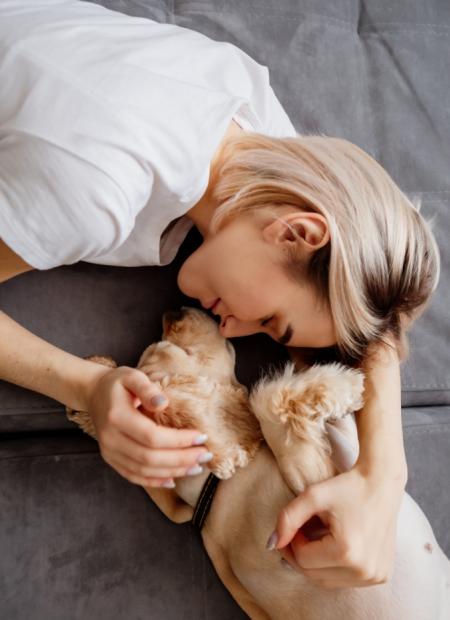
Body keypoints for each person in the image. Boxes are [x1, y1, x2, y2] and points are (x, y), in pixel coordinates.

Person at [0, 0, 441, 593]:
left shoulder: (249, 121)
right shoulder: (101, 185)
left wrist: (384, 475)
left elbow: (379, 305)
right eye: (273, 321)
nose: (234, 332)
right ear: (296, 233)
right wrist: (85, 386)